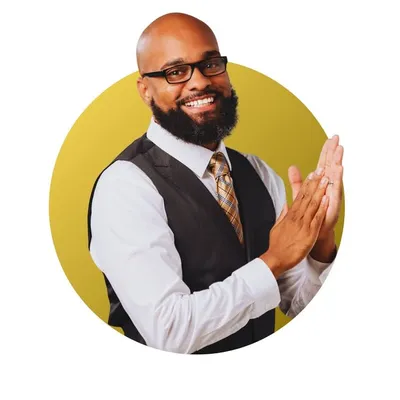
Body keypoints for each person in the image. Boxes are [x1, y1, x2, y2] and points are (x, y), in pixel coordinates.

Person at [87, 12, 344, 354]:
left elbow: (299, 303)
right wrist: (274, 259)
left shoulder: (258, 171)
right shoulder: (126, 186)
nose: (199, 82)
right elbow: (169, 332)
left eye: (210, 64)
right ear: (145, 90)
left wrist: (320, 243)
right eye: (176, 71)